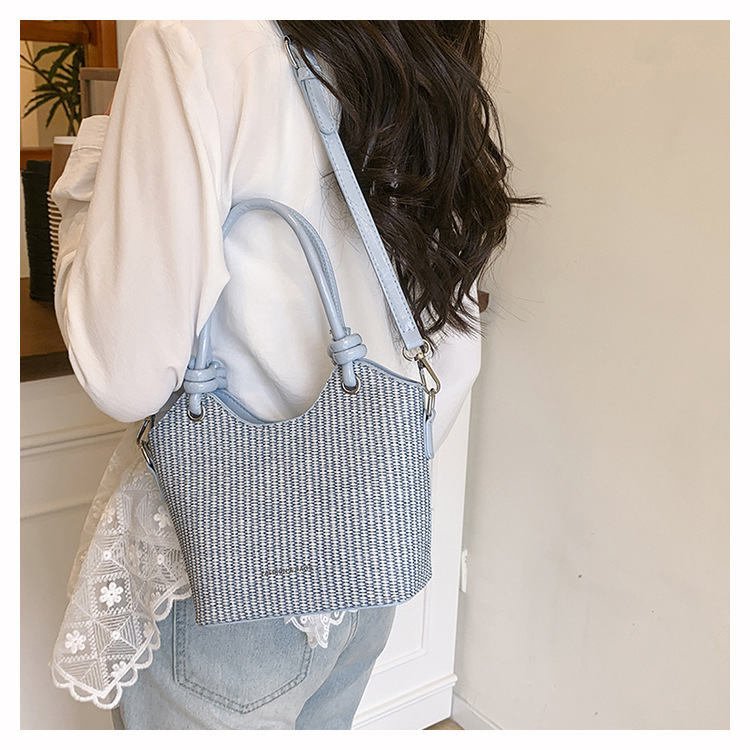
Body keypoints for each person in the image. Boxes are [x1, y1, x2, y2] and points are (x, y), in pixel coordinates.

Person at [50, 20, 528, 730]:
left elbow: (122, 374)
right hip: (369, 558)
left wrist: (90, 175)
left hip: (227, 581)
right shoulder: (428, 35)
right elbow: (451, 350)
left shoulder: (193, 36)